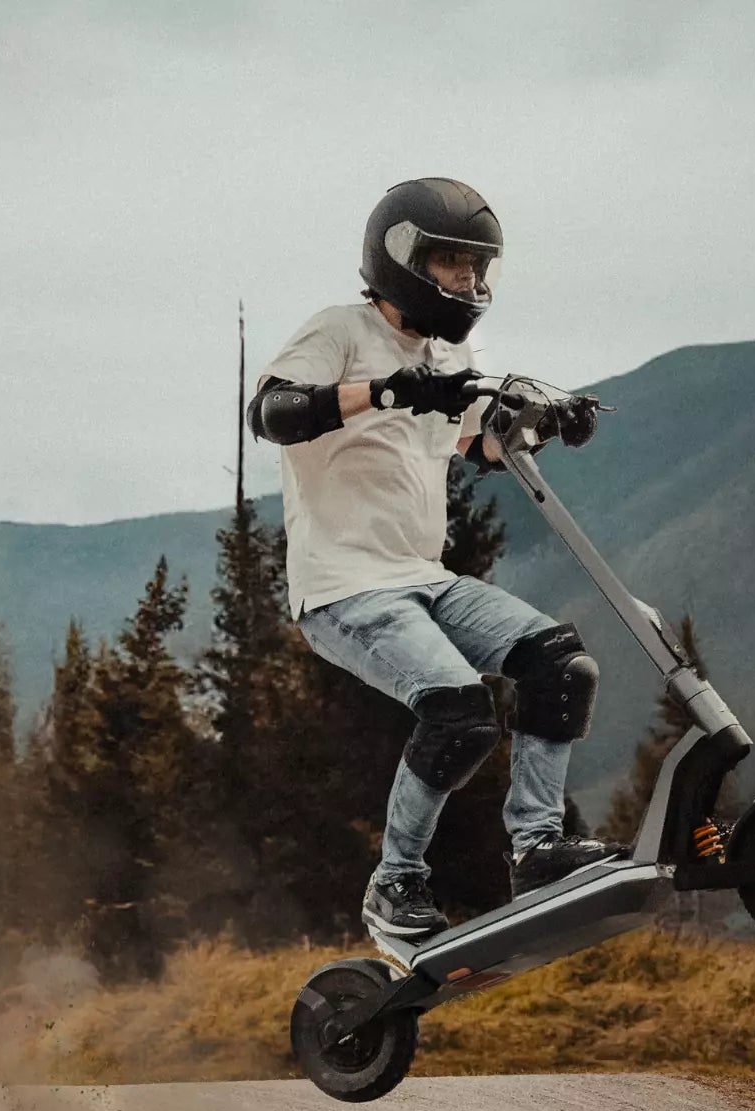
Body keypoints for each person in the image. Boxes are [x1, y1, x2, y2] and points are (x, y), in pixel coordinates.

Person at [248, 176, 618, 941]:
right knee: (458, 714)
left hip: (425, 579)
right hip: (345, 591)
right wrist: (383, 392)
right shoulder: (340, 330)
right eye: (454, 264)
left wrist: (551, 422)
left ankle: (539, 846)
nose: (470, 282)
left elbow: (479, 443)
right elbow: (273, 413)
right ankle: (396, 884)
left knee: (560, 665)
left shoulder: (454, 351)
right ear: (403, 257)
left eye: (480, 267)